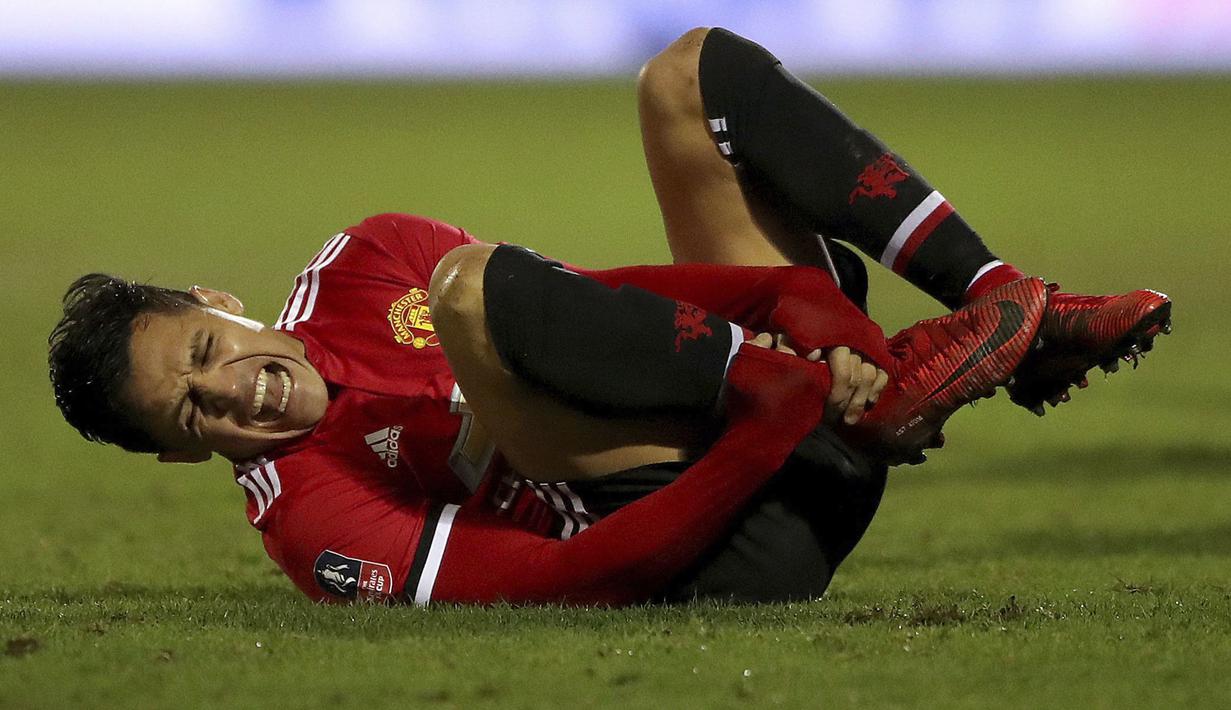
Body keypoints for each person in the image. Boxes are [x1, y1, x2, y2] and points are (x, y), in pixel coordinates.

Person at [47, 28, 1169, 606]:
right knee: (475, 299)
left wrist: (804, 311)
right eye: (197, 421)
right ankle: (897, 375)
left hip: (783, 404)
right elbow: (576, 583)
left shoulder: (364, 257)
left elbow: (600, 310)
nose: (235, 394)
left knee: (688, 77)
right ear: (191, 454)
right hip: (730, 535)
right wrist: (778, 409)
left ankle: (996, 303)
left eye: (205, 356)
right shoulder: (313, 524)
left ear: (217, 302)